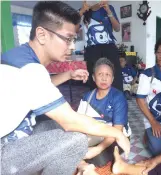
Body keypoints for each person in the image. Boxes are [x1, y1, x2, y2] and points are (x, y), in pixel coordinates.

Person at [0, 2, 130, 175]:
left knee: (55, 124)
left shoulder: (19, 56)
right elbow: (70, 121)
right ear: (42, 34)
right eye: (68, 38)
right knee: (76, 138)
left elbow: (36, 89)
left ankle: (80, 166)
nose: (72, 46)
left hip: (16, 134)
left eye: (74, 39)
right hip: (4, 152)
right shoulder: (30, 70)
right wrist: (117, 133)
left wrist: (68, 75)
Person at [77, 57, 130, 168]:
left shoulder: (118, 97)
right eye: (100, 74)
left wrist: (97, 149)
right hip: (94, 135)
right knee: (71, 146)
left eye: (108, 75)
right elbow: (79, 123)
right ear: (94, 77)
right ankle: (82, 163)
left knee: (98, 158)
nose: (104, 78)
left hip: (116, 136)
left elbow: (117, 131)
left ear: (112, 78)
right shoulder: (88, 97)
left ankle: (84, 162)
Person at [78, 1, 123, 91]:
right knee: (94, 77)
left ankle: (117, 100)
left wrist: (109, 11)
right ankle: (96, 102)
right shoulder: (82, 11)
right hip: (92, 49)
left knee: (115, 76)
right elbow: (74, 29)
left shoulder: (109, 8)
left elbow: (117, 28)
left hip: (109, 47)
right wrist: (81, 11)